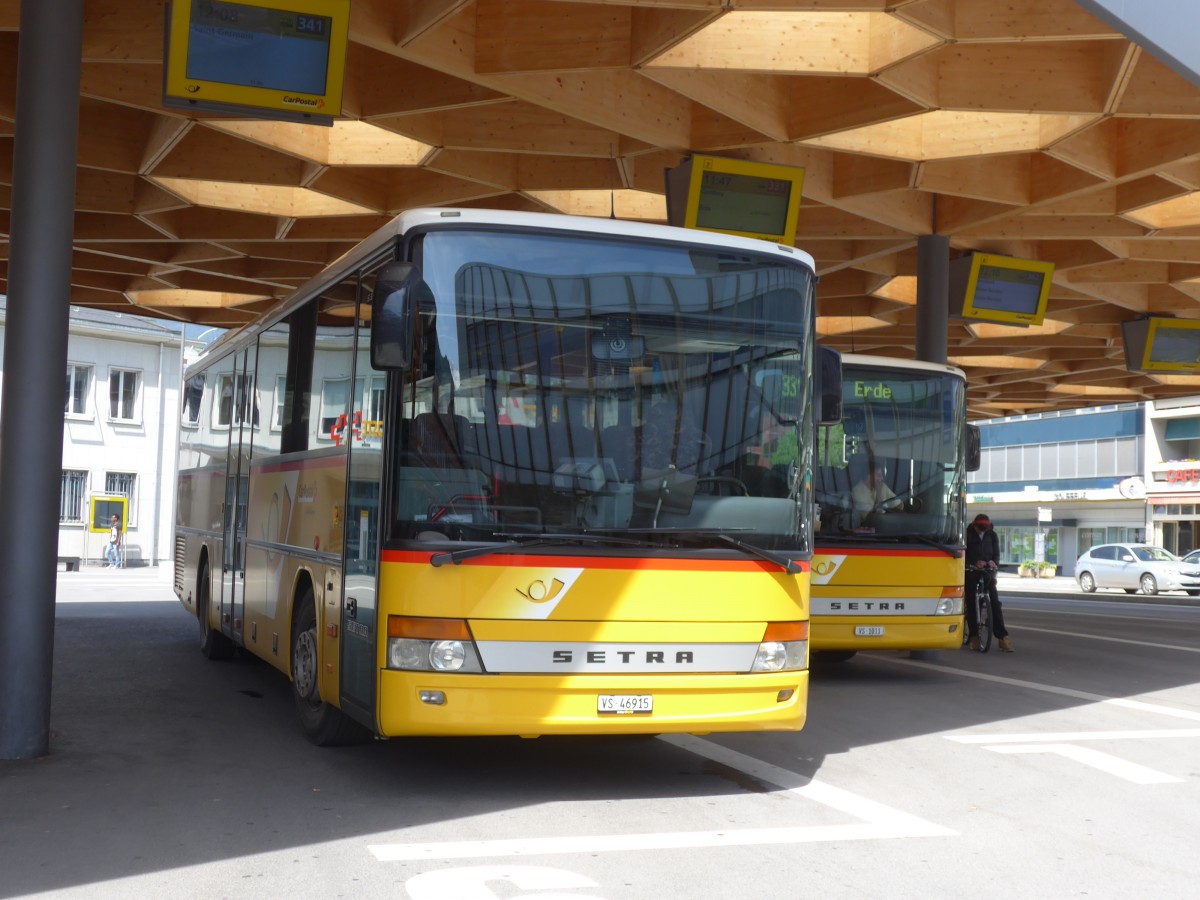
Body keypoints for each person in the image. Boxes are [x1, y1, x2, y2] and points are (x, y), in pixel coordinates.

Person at [965, 512, 1013, 652]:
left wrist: (994, 562)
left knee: (995, 603)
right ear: (974, 525)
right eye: (979, 528)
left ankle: (1002, 637)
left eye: (984, 529)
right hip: (971, 571)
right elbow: (963, 554)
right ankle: (974, 636)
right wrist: (973, 563)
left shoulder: (991, 534)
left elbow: (996, 553)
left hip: (987, 572)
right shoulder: (967, 534)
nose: (982, 531)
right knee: (972, 602)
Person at [850, 459, 902, 526]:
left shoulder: (882, 486)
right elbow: (874, 518)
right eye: (879, 475)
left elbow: (900, 505)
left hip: (889, 526)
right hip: (871, 531)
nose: (882, 478)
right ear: (869, 476)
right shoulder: (857, 492)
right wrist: (879, 494)